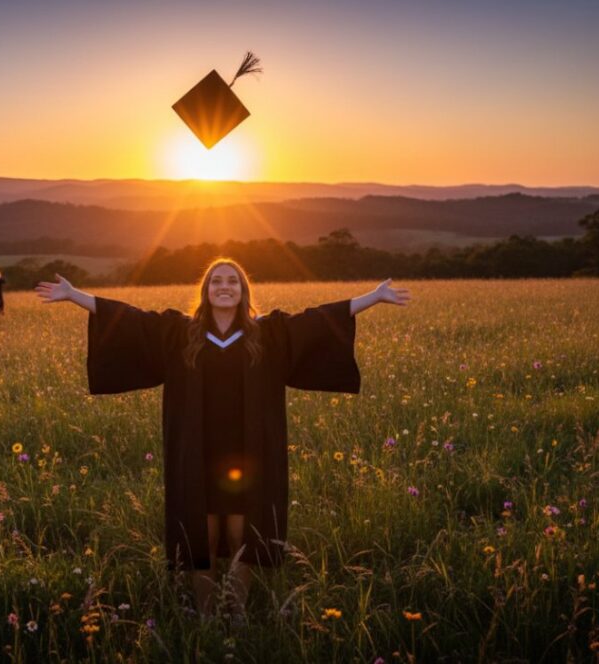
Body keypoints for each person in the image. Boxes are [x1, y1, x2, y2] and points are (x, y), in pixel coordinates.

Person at [35, 259, 410, 615]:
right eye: (217, 280)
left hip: (250, 453)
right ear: (206, 290)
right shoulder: (180, 333)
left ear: (243, 290)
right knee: (203, 539)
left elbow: (317, 321)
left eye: (232, 280)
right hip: (198, 453)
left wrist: (373, 297)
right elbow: (130, 320)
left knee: (241, 538)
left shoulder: (268, 334)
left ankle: (238, 611)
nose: (225, 286)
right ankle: (205, 613)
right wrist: (74, 294)